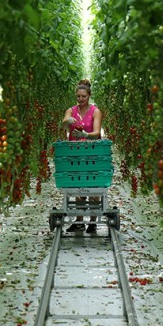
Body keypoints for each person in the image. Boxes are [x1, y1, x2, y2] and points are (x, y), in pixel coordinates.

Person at [61, 79, 102, 233]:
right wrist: (67, 122)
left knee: (92, 184)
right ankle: (79, 220)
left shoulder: (95, 111)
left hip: (91, 152)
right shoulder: (71, 111)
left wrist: (85, 134)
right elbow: (63, 124)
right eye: (78, 96)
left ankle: (92, 221)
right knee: (78, 183)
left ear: (89, 96)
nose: (80, 99)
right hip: (75, 153)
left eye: (83, 96)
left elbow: (97, 133)